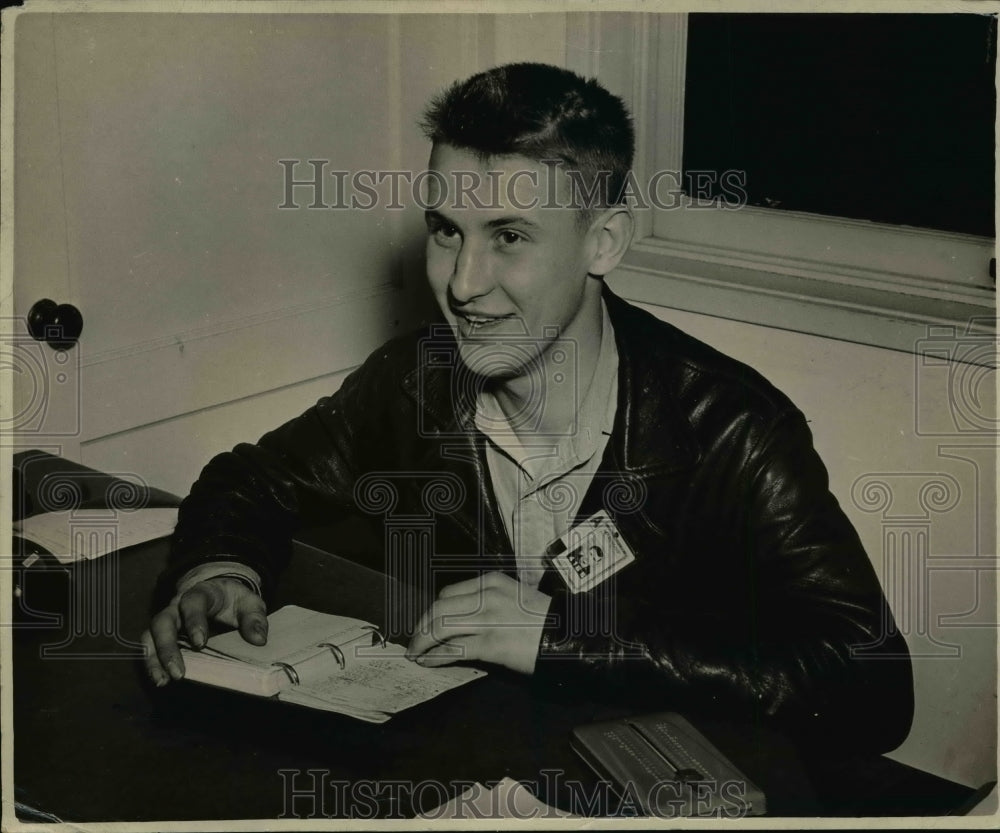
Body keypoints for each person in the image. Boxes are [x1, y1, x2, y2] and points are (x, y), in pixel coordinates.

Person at [143, 62, 913, 755]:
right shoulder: (413, 380)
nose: (464, 284)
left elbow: (871, 685)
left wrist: (568, 637)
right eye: (447, 231)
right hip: (482, 767)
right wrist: (222, 567)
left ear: (603, 242)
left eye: (508, 236)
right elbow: (254, 477)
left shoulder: (734, 429)